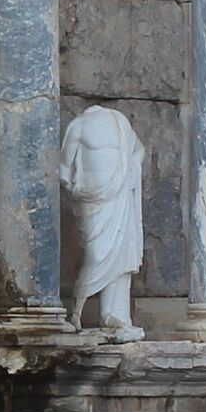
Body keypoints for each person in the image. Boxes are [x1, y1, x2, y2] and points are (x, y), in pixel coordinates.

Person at [58, 104, 145, 335]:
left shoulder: (120, 123)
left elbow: (138, 150)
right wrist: (75, 190)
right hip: (91, 200)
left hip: (118, 197)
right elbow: (64, 167)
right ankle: (75, 312)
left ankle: (113, 314)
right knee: (95, 254)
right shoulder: (78, 126)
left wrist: (132, 169)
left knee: (121, 255)